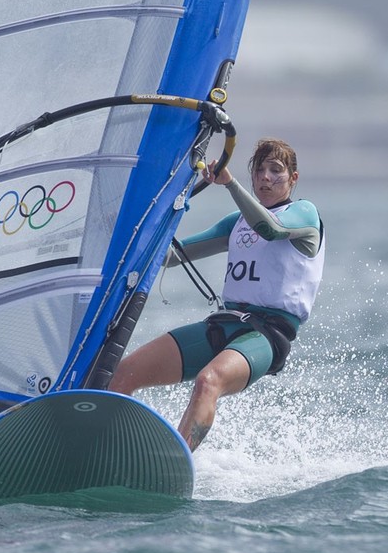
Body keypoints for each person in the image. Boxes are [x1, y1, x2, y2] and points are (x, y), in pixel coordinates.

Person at [108, 138, 325, 451]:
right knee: (124, 373)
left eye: (275, 170)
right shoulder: (236, 224)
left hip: (266, 336)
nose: (265, 177)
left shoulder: (304, 214)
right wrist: (122, 226)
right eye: (259, 170)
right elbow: (169, 256)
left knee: (208, 381)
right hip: (224, 324)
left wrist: (230, 184)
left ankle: (173, 462)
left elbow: (271, 230)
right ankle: (109, 451)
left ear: (293, 178)